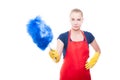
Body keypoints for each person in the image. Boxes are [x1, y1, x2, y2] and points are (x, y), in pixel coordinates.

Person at [49, 8, 101, 80]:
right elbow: (57, 59)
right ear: (69, 20)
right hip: (66, 76)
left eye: (78, 19)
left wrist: (94, 59)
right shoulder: (63, 37)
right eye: (73, 19)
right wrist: (55, 57)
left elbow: (98, 51)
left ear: (82, 20)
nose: (75, 23)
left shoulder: (88, 36)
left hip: (84, 76)